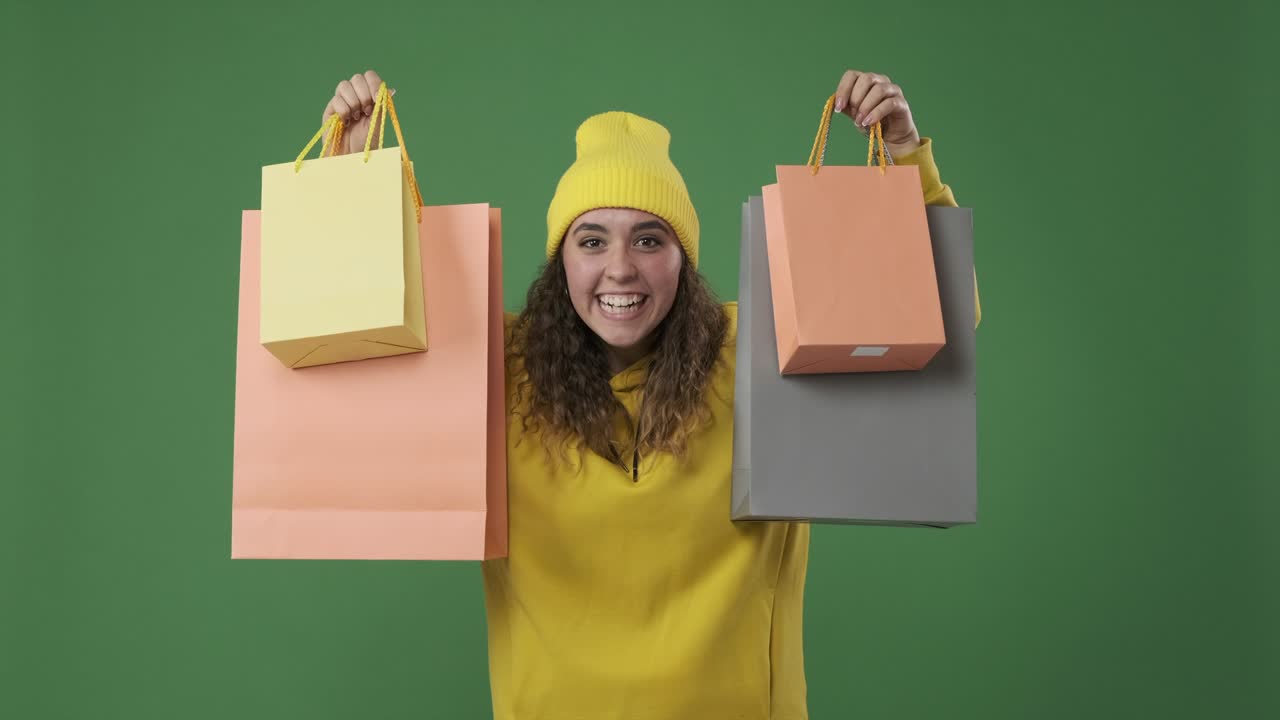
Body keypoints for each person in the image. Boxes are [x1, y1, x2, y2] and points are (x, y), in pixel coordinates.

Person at [321, 68, 959, 720]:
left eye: (649, 240)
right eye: (591, 240)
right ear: (560, 259)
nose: (620, 267)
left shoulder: (765, 355)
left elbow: (927, 328)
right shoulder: (495, 371)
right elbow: (359, 366)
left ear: (684, 259)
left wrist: (907, 160)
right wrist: (354, 185)